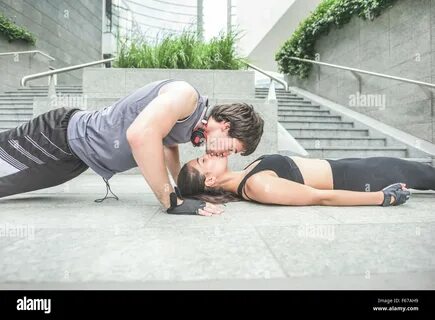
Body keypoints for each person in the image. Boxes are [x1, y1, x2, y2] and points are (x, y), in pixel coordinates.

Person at [0, 79, 264, 216]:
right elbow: (140, 135)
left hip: (76, 159)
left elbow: (165, 145)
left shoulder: (192, 122)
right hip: (58, 138)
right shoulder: (186, 95)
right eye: (232, 149)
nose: (225, 155)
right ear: (227, 126)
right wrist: (170, 201)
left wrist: (180, 189)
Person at [177, 153, 435, 207]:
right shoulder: (258, 185)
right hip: (363, 178)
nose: (206, 154)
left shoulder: (248, 171)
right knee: (428, 175)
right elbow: (319, 197)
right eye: (202, 161)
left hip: (353, 165)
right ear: (210, 180)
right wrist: (383, 197)